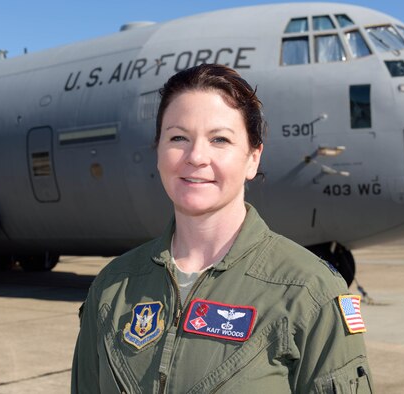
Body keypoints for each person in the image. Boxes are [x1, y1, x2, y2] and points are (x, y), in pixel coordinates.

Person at [72, 64, 373, 393]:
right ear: (157, 152)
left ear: (252, 158)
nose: (196, 156)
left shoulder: (309, 292)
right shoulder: (113, 287)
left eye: (220, 139)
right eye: (178, 138)